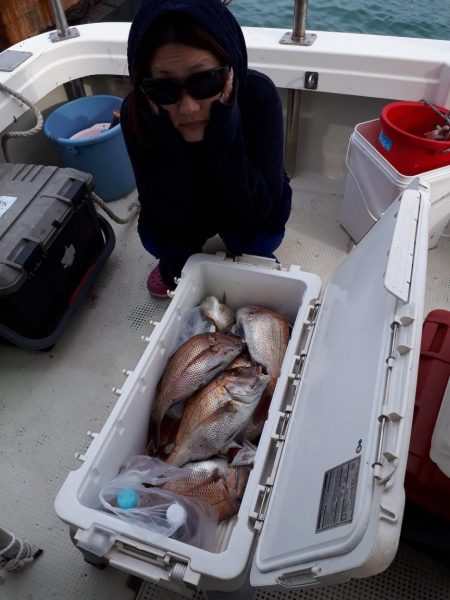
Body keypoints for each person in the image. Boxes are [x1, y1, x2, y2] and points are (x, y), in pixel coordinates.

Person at [122, 0, 292, 297]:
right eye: (165, 88)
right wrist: (167, 139)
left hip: (244, 197)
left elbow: (263, 208)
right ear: (143, 85)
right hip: (185, 202)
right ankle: (178, 262)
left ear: (230, 69)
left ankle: (248, 255)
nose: (188, 108)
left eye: (205, 81)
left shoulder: (258, 96)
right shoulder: (137, 113)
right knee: (159, 240)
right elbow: (161, 213)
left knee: (263, 236)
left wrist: (223, 134)